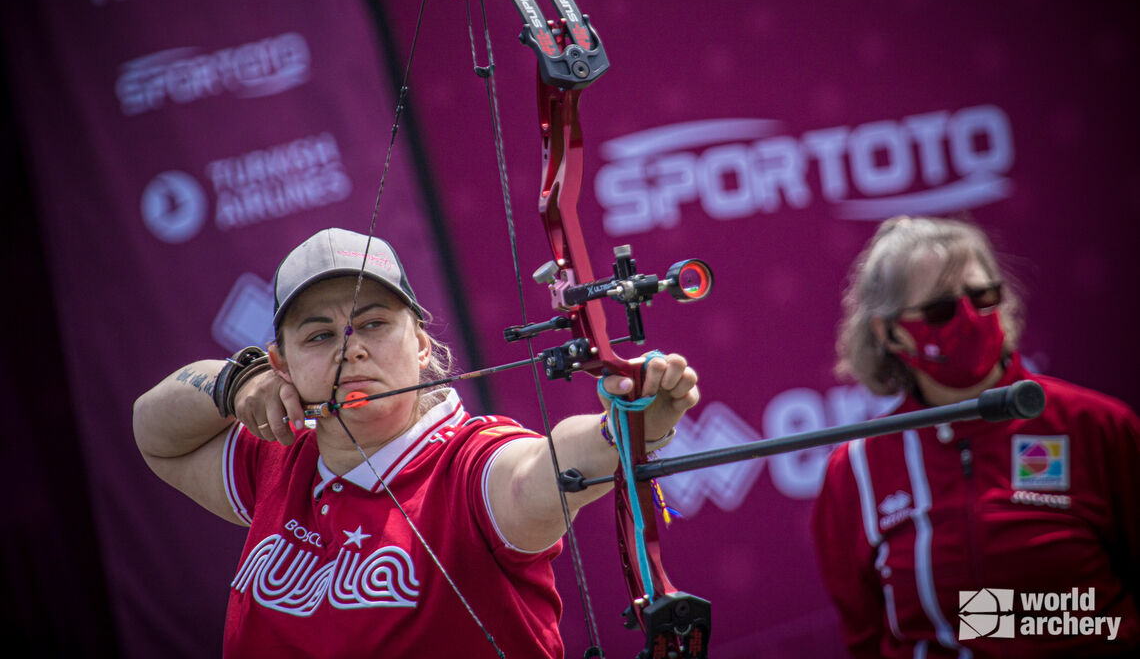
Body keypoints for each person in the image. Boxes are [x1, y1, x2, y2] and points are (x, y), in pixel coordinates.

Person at [133, 227, 699, 658]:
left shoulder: (468, 465)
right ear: (281, 364)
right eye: (319, 335)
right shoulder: (279, 456)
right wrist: (236, 381)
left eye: (374, 324)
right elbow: (154, 434)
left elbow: (541, 469)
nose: (349, 350)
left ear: (422, 344)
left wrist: (624, 425)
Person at [812, 215, 1139, 658]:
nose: (970, 317)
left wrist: (997, 620)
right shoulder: (855, 471)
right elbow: (865, 634)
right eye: (940, 310)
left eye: (983, 297)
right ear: (888, 332)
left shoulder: (1096, 425)